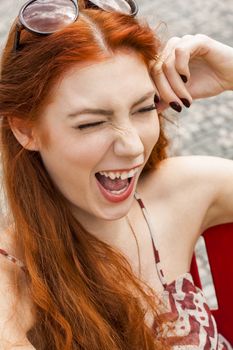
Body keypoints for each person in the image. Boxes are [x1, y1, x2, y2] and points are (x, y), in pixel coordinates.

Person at [0, 0, 232, 349]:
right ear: (25, 129)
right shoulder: (12, 274)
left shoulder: (186, 191)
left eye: (143, 108)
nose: (133, 147)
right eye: (91, 122)